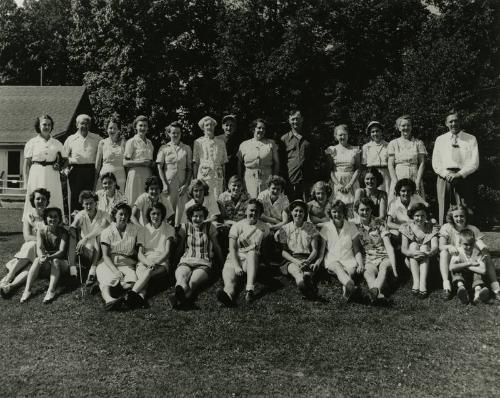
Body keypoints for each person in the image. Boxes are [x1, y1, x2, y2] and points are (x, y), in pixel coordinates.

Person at [439, 205, 500, 301]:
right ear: (451, 216)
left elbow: (479, 243)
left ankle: (496, 288)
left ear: (466, 216)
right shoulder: (447, 227)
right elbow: (441, 246)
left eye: (462, 216)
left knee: (486, 254)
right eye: (456, 216)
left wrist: (483, 247)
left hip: (470, 256)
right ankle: (447, 287)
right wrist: (449, 246)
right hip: (454, 257)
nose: (459, 219)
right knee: (443, 252)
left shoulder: (472, 228)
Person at [216, 199, 270, 306]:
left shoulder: (265, 227)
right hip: (235, 257)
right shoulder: (237, 226)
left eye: (256, 211)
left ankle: (249, 289)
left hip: (251, 262)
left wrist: (265, 264)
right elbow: (232, 248)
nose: (253, 213)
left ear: (260, 213)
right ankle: (228, 296)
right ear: (246, 211)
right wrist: (236, 266)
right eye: (251, 210)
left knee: (252, 252)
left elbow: (264, 248)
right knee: (229, 281)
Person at [169, 204, 224, 309]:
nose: (198, 219)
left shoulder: (209, 227)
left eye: (201, 216)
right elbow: (180, 246)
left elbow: (216, 246)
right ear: (190, 216)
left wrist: (222, 264)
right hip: (186, 259)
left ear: (204, 217)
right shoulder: (185, 227)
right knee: (181, 278)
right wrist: (175, 261)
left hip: (204, 262)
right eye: (195, 216)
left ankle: (178, 298)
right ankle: (182, 297)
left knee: (193, 282)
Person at [432, 110, 479, 225]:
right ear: (446, 123)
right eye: (451, 121)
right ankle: (444, 236)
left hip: (464, 176)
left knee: (465, 207)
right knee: (444, 206)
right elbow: (436, 163)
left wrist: (459, 174)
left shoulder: (471, 139)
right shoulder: (440, 139)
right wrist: (446, 174)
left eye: (456, 120)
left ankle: (466, 236)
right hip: (444, 177)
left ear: (460, 122)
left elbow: (474, 162)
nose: (454, 124)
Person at [1, 188, 50, 298]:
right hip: (30, 249)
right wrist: (40, 239)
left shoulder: (50, 216)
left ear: (47, 201)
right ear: (33, 201)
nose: (41, 201)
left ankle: (10, 285)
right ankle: (9, 278)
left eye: (43, 199)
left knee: (31, 265)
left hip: (42, 251)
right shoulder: (29, 216)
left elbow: (52, 238)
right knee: (31, 246)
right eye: (38, 199)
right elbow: (27, 237)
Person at [125, 203, 175, 309]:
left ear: (162, 215)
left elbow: (167, 252)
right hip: (145, 260)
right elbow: (140, 253)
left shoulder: (169, 228)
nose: (156, 216)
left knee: (147, 272)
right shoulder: (143, 230)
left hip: (161, 261)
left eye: (158, 214)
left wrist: (155, 263)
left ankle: (132, 294)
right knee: (145, 274)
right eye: (153, 214)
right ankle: (141, 298)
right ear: (149, 215)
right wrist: (148, 263)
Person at [96, 203, 141, 311]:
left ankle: (118, 289)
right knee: (108, 279)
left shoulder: (134, 229)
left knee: (132, 282)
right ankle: (109, 300)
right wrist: (115, 271)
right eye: (120, 214)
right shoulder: (107, 231)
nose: (123, 217)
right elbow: (105, 256)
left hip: (126, 263)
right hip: (108, 262)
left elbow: (137, 249)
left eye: (126, 214)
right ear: (114, 215)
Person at [20, 207, 69, 303]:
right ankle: (27, 290)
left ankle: (51, 291)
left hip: (62, 264)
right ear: (45, 218)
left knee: (55, 261)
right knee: (37, 260)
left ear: (59, 219)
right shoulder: (41, 231)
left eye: (56, 217)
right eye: (50, 216)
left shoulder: (63, 232)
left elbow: (62, 251)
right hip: (48, 263)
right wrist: (42, 257)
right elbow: (39, 247)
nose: (53, 219)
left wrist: (49, 257)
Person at [23, 115, 66, 220]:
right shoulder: (31, 143)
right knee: (36, 198)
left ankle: (54, 224)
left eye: (49, 125)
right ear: (39, 126)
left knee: (53, 198)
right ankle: (33, 224)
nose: (47, 127)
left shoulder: (57, 143)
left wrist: (60, 167)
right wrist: (25, 182)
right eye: (44, 124)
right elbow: (26, 164)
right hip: (36, 174)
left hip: (52, 175)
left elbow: (66, 160)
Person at [318, 200, 364, 301]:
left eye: (340, 211)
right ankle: (349, 284)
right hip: (332, 259)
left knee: (351, 272)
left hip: (348, 259)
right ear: (330, 212)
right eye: (334, 212)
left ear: (344, 212)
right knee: (338, 267)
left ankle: (346, 293)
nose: (337, 214)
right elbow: (321, 251)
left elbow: (357, 250)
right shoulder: (326, 227)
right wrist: (318, 262)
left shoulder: (351, 226)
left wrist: (360, 264)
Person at [354, 198, 397, 304]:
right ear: (357, 211)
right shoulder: (355, 227)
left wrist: (395, 269)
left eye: (367, 209)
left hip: (384, 256)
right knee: (368, 273)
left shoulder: (379, 223)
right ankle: (377, 295)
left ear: (371, 210)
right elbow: (356, 249)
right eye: (362, 210)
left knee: (384, 268)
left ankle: (374, 293)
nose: (365, 212)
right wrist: (360, 264)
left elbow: (389, 246)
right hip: (369, 259)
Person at [275, 200, 321, 299]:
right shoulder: (284, 229)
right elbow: (283, 252)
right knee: (297, 272)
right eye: (296, 211)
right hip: (291, 258)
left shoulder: (310, 227)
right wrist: (295, 261)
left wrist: (308, 261)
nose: (298, 214)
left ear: (304, 214)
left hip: (307, 257)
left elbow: (315, 250)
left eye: (301, 211)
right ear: (291, 212)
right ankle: (302, 285)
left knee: (308, 273)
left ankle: (307, 281)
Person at [68, 190, 110, 287]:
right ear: (82, 205)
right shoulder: (81, 214)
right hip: (85, 251)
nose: (88, 206)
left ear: (96, 203)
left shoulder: (104, 214)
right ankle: (73, 270)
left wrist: (85, 238)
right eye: (86, 204)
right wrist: (73, 227)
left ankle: (92, 271)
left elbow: (102, 227)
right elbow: (73, 226)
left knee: (100, 235)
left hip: (100, 252)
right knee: (72, 233)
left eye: (91, 203)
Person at [157, 121, 192, 226]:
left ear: (181, 134)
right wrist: (164, 184)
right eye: (173, 133)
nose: (175, 135)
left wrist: (186, 184)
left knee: (182, 214)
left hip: (182, 185)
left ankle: (180, 236)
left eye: (178, 133)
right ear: (169, 133)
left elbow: (189, 169)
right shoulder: (164, 148)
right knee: (168, 212)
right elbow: (159, 167)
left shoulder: (186, 148)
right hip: (169, 185)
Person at [64, 114, 102, 213]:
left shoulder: (97, 138)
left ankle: (90, 223)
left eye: (87, 123)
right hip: (75, 172)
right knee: (75, 198)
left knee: (90, 198)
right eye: (82, 123)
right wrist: (66, 169)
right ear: (77, 125)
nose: (85, 126)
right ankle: (74, 225)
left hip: (91, 171)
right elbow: (64, 157)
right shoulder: (70, 139)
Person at [400, 203, 439, 299]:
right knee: (413, 245)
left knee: (425, 247)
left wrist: (429, 253)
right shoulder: (407, 227)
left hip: (428, 259)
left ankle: (423, 283)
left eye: (422, 216)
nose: (420, 218)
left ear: (426, 216)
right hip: (412, 259)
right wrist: (412, 253)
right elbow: (403, 249)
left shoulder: (431, 227)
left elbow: (435, 247)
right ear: (412, 216)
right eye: (417, 216)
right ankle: (416, 281)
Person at [193, 116, 228, 217]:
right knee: (204, 197)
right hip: (204, 174)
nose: (209, 127)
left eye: (211, 125)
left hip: (217, 175)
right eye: (206, 125)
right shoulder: (198, 142)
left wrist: (224, 179)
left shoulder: (220, 142)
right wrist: (194, 179)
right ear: (203, 127)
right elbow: (196, 162)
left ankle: (216, 222)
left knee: (217, 198)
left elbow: (223, 163)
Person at [387, 115, 427, 202]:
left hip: (414, 175)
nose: (406, 128)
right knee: (397, 202)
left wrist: (417, 181)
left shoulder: (418, 143)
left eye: (408, 125)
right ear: (398, 128)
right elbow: (390, 164)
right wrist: (395, 181)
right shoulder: (393, 143)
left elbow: (422, 163)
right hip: (399, 174)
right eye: (403, 125)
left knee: (416, 202)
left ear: (411, 127)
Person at [237, 118, 279, 198]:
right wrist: (240, 180)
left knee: (265, 201)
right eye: (259, 128)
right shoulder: (244, 144)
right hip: (249, 179)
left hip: (267, 178)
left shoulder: (271, 144)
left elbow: (277, 162)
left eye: (263, 128)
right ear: (253, 129)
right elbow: (239, 164)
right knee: (251, 201)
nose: (261, 130)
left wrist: (275, 179)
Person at [325, 125, 361, 216]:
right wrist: (338, 184)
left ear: (348, 135)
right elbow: (330, 170)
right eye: (340, 135)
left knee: (352, 207)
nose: (342, 137)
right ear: (336, 136)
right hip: (337, 181)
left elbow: (358, 169)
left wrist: (350, 184)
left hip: (351, 180)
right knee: (337, 206)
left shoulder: (355, 150)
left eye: (344, 134)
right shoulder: (331, 150)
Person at [449, 229, 490, 305]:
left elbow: (483, 270)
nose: (468, 247)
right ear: (460, 243)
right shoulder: (458, 252)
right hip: (462, 277)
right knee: (456, 270)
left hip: (474, 277)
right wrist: (469, 263)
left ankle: (478, 293)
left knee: (477, 272)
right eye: (465, 244)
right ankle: (461, 288)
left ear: (474, 242)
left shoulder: (477, 252)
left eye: (471, 244)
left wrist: (466, 266)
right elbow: (451, 267)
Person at [280, 110, 313, 200]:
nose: (295, 121)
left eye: (297, 119)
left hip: (307, 181)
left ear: (302, 119)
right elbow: (281, 162)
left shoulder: (310, 137)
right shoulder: (284, 139)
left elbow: (314, 158)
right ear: (289, 120)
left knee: (306, 208)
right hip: (290, 181)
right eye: (293, 119)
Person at [123, 115, 155, 205]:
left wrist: (151, 164)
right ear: (136, 127)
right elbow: (125, 162)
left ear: (148, 128)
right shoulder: (131, 141)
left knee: (146, 201)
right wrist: (142, 162)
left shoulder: (150, 143)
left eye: (145, 126)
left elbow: (150, 161)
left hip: (147, 175)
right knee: (134, 201)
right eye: (140, 125)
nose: (142, 128)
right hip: (135, 176)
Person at [94, 117, 126, 191]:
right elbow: (98, 165)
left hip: (120, 178)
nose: (112, 130)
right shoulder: (102, 143)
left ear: (119, 130)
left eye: (115, 128)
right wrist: (95, 182)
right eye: (110, 128)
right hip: (105, 178)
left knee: (119, 200)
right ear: (107, 129)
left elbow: (126, 163)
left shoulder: (124, 143)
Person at [361, 121, 390, 193]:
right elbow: (364, 165)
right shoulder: (366, 147)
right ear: (370, 134)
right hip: (371, 175)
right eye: (372, 132)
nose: (375, 134)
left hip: (385, 174)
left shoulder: (389, 145)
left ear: (381, 132)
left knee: (387, 195)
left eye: (377, 131)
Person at [217, 114, 240, 186]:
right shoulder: (216, 140)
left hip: (233, 174)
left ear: (235, 127)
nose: (229, 128)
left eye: (231, 125)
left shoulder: (239, 141)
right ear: (222, 126)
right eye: (226, 125)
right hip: (218, 173)